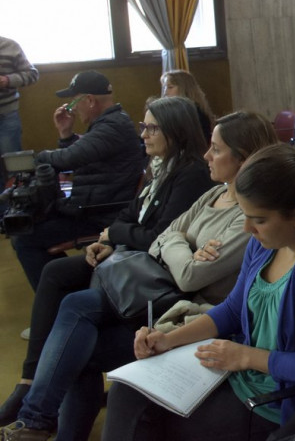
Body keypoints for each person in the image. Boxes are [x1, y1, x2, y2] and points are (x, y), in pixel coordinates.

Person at [0, 110, 280, 441]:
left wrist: (177, 245)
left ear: (243, 158)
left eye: (216, 149)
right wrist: (183, 246)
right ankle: (37, 419)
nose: (207, 155)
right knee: (74, 312)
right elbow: (163, 237)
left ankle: (36, 416)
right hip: (159, 291)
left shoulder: (247, 216)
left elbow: (190, 276)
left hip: (186, 311)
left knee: (77, 329)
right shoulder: (213, 194)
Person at [96, 144, 295, 441]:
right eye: (245, 215)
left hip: (279, 404)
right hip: (241, 377)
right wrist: (167, 340)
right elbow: (232, 309)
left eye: (259, 219)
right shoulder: (265, 243)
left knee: (154, 421)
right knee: (127, 390)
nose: (248, 228)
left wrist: (246, 357)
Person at [12, 71, 145, 291]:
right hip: (89, 206)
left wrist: (34, 159)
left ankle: (60, 293)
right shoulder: (110, 123)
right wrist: (66, 134)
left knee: (26, 240)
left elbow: (67, 159)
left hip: (98, 214)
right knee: (29, 227)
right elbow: (79, 156)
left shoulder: (111, 127)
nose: (72, 108)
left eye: (74, 101)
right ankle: (64, 287)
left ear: (90, 101)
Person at [0, 36, 38, 184]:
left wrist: (7, 80)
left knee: (14, 168)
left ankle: (16, 205)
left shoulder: (10, 46)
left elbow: (32, 74)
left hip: (6, 116)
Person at [161, 69, 215, 139]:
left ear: (184, 89)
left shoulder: (194, 113)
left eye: (170, 87)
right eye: (164, 87)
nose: (165, 92)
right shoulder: (172, 111)